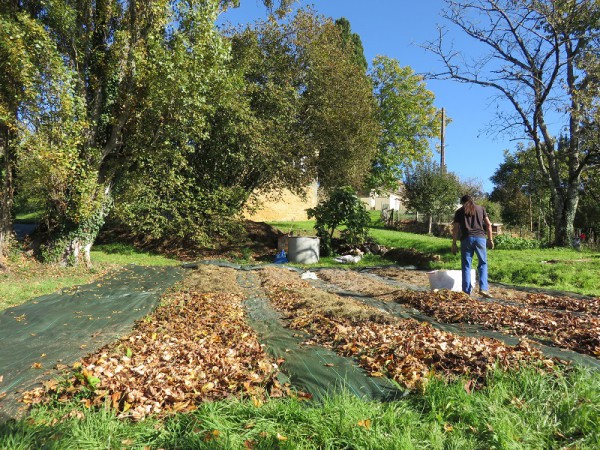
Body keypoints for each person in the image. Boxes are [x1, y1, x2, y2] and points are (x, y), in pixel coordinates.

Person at [451, 195, 494, 297]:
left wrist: (454, 243)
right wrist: (490, 239)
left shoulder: (459, 211)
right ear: (472, 200)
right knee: (482, 263)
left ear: (462, 202)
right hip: (480, 239)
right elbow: (488, 224)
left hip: (466, 239)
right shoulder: (481, 209)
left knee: (466, 265)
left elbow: (456, 228)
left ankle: (466, 292)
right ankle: (483, 288)